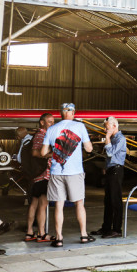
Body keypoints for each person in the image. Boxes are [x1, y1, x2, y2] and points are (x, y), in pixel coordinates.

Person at [41, 102, 96, 246]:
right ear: (73, 113)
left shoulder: (52, 129)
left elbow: (43, 152)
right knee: (79, 203)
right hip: (75, 172)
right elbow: (89, 149)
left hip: (56, 172)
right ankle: (84, 235)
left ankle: (59, 238)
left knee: (59, 205)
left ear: (60, 113)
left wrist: (56, 150)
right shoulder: (80, 126)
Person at [24, 112, 54, 242]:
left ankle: (30, 232)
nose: (52, 124)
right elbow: (35, 152)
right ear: (42, 122)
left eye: (53, 121)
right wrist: (50, 155)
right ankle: (41, 233)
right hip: (43, 175)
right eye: (49, 121)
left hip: (37, 176)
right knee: (43, 204)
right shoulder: (41, 135)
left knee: (34, 203)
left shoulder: (39, 135)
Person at [95, 116, 128, 238]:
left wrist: (107, 138)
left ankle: (117, 229)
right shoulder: (114, 138)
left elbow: (109, 152)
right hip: (111, 170)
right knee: (108, 200)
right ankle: (106, 228)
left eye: (106, 127)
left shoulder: (120, 139)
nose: (105, 130)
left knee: (115, 200)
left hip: (116, 171)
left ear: (114, 126)